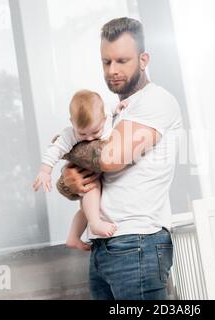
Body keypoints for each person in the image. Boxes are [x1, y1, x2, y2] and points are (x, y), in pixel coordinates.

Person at [57, 17, 183, 300]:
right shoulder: (116, 112)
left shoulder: (156, 101)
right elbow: (85, 176)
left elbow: (109, 158)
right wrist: (67, 182)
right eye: (106, 62)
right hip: (104, 245)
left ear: (143, 59)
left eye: (122, 61)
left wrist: (66, 150)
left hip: (137, 242)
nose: (112, 71)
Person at [33, 89, 128, 245]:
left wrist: (118, 107)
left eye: (95, 132)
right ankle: (95, 224)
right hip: (85, 171)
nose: (89, 138)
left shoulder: (107, 115)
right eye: (82, 134)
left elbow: (110, 108)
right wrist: (45, 171)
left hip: (98, 169)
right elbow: (54, 149)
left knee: (86, 209)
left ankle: (73, 238)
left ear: (104, 119)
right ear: (72, 123)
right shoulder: (69, 134)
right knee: (92, 188)